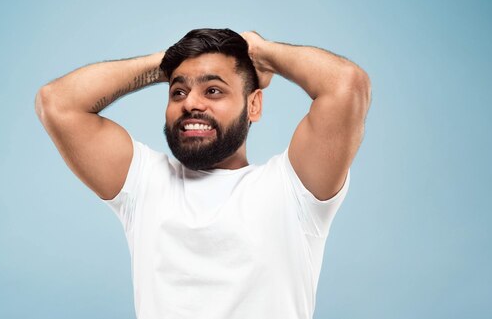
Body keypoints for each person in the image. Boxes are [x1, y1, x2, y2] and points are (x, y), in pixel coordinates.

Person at [35, 28, 371, 319]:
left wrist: (261, 53)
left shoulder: (293, 188)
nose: (190, 103)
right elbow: (57, 102)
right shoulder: (144, 184)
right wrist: (163, 64)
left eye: (213, 90)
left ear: (254, 105)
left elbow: (347, 85)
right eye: (178, 91)